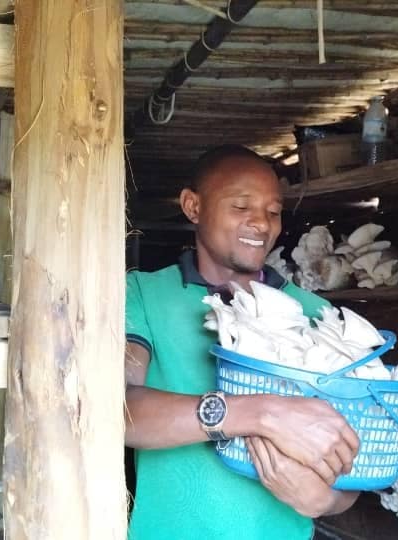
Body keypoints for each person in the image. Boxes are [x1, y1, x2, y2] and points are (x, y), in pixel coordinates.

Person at [124, 145, 361, 540]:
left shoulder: (315, 314)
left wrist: (326, 501)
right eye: (241, 207)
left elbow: (355, 457)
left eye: (273, 211)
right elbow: (117, 410)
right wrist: (260, 413)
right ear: (193, 206)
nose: (262, 224)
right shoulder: (144, 293)